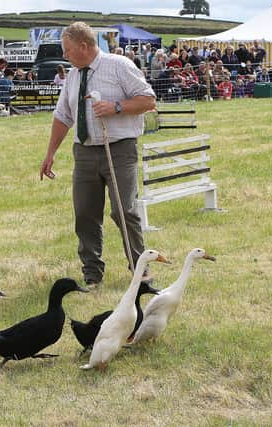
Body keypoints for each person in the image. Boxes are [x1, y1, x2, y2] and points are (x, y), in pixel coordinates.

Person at [39, 22, 156, 286]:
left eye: (67, 50)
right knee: (84, 214)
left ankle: (141, 272)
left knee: (124, 211)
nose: (65, 55)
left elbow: (148, 100)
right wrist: (50, 154)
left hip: (119, 150)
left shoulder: (119, 66)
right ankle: (92, 274)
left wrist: (116, 106)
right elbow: (62, 116)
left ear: (83, 46)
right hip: (84, 153)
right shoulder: (73, 76)